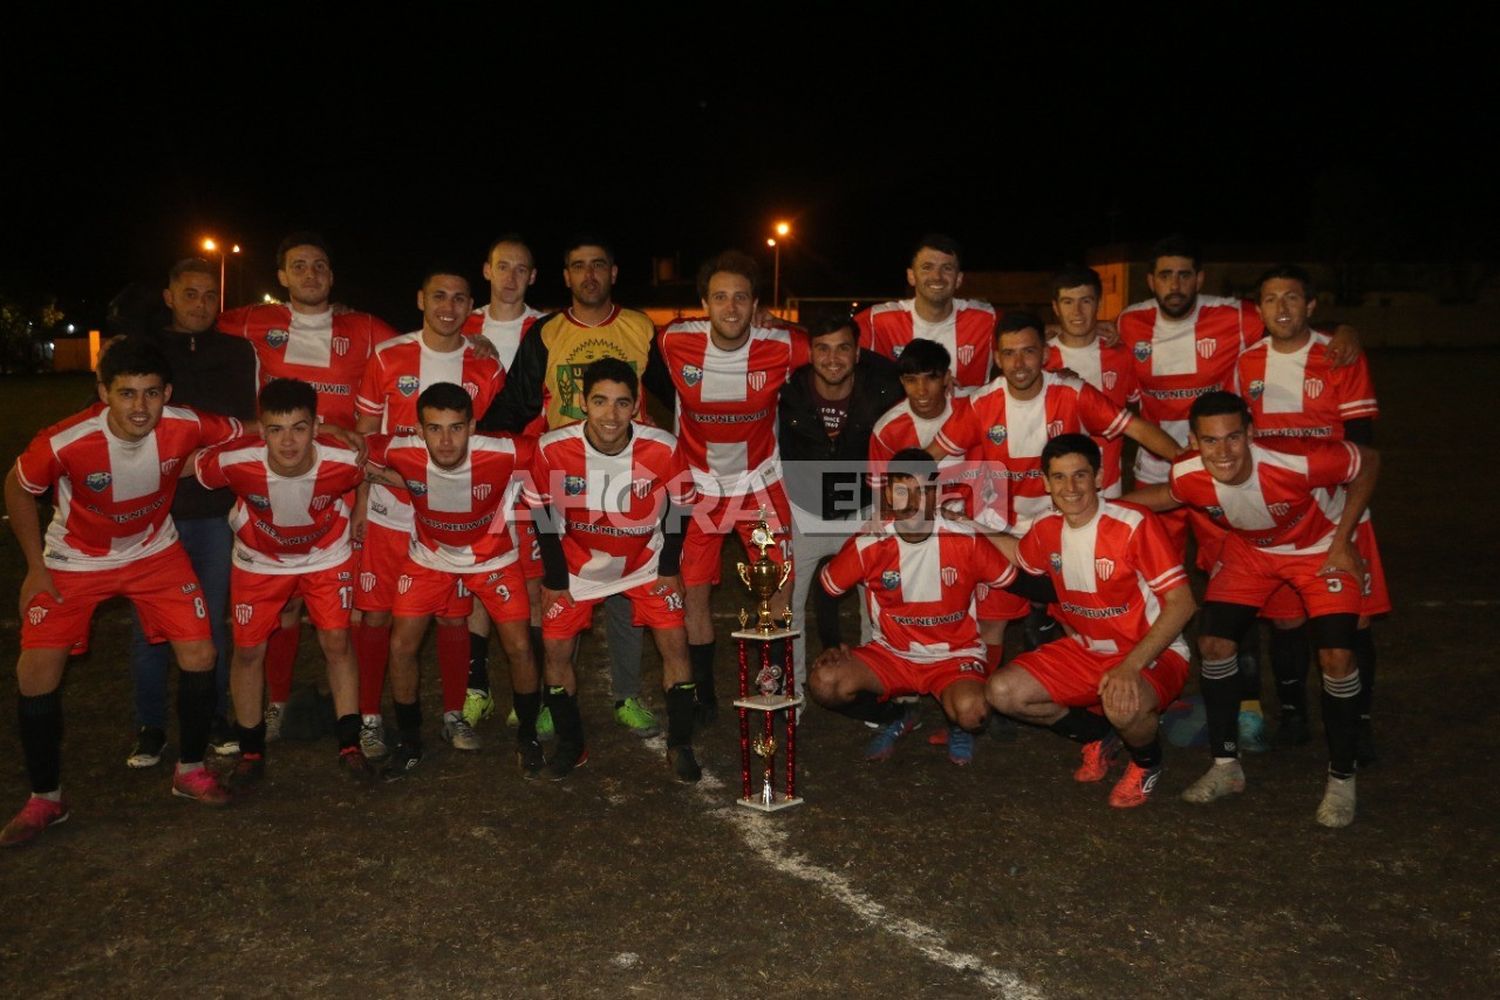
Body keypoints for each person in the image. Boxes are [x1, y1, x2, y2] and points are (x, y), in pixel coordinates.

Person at [2, 342, 245, 846]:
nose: (140, 407)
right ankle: (46, 799)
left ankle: (190, 770)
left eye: (152, 393)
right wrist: (33, 568)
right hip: (74, 561)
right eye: (127, 393)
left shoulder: (188, 423)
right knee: (35, 671)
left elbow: (253, 430)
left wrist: (320, 427)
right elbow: (17, 486)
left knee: (201, 652)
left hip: (155, 553)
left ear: (168, 394)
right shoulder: (65, 440)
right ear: (102, 394)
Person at [1122, 392, 1379, 827]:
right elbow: (1169, 494)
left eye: (1233, 438)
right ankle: (1226, 768)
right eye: (1210, 441)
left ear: (1251, 433)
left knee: (1337, 657)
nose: (1223, 452)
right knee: (1214, 643)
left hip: (1318, 550)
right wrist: (1101, 506)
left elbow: (1367, 460)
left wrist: (1341, 543)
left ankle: (1342, 778)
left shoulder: (1293, 460)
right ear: (1194, 441)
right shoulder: (1189, 472)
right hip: (1252, 553)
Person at [217, 232, 400, 743]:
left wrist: (474, 340)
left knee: (351, 613)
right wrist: (125, 334)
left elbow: (421, 348)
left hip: (345, 483)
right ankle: (273, 704)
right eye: (299, 266)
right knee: (286, 605)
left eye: (320, 265)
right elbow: (191, 323)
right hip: (277, 475)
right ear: (282, 276)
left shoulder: (364, 328)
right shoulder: (253, 321)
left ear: (332, 276)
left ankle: (365, 717)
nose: (311, 274)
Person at [477, 236, 659, 738]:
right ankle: (553, 697)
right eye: (578, 266)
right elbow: (516, 403)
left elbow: (679, 388)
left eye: (598, 265)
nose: (589, 275)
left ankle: (626, 695)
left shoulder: (641, 327)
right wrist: (475, 446)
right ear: (566, 277)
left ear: (614, 273)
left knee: (625, 592)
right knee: (563, 591)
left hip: (628, 478)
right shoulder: (548, 331)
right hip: (566, 477)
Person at [981, 435, 1196, 807]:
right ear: (1046, 484)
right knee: (1003, 693)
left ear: (1098, 477)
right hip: (1087, 652)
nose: (1071, 488)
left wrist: (1131, 666)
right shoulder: (1047, 528)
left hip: (1150, 653)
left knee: (1122, 702)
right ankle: (1102, 735)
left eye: (1080, 475)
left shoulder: (1133, 523)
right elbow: (1018, 555)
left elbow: (1183, 603)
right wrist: (968, 527)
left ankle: (1147, 763)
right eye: (1060, 478)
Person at [645, 251, 809, 726]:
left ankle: (773, 688)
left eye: (741, 298)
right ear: (704, 303)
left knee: (779, 586)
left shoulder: (783, 344)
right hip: (696, 488)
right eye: (720, 297)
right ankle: (703, 694)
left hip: (759, 484)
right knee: (691, 592)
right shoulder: (674, 339)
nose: (731, 308)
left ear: (757, 304)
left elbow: (839, 353)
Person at [525, 359, 700, 781]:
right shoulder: (553, 448)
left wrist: (669, 566)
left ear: (636, 405)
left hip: (645, 562)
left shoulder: (662, 446)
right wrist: (554, 578)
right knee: (556, 652)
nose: (611, 415)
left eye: (622, 404)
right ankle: (572, 743)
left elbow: (682, 502)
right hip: (577, 565)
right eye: (600, 402)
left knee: (675, 643)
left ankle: (680, 745)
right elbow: (542, 511)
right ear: (583, 402)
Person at [1238, 265, 1388, 756]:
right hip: (1278, 520)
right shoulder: (1246, 364)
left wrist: (1347, 519)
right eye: (1271, 299)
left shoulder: (1338, 355)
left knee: (1353, 624)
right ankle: (1294, 715)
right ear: (1258, 309)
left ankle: (1359, 724)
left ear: (1312, 306)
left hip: (1338, 515)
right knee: (1284, 623)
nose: (1281, 308)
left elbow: (1362, 445)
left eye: (1292, 298)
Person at [194, 378, 372, 786]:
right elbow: (184, 464)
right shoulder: (234, 461)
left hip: (325, 554)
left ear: (316, 426)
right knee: (249, 651)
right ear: (261, 429)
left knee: (336, 642)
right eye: (275, 430)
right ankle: (252, 751)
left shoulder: (342, 459)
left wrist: (360, 506)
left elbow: (367, 469)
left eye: (300, 428)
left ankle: (350, 745)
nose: (288, 442)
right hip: (260, 560)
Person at [353, 266, 501, 756]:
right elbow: (364, 438)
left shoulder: (486, 366)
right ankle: (370, 717)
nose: (448, 306)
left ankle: (453, 715)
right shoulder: (388, 355)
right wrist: (357, 505)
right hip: (388, 513)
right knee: (376, 620)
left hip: (448, 522)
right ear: (420, 299)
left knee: (454, 620)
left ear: (470, 306)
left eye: (460, 298)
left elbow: (491, 445)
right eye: (439, 295)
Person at [125, 257, 258, 767]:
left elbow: (244, 423)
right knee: (150, 625)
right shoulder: (142, 350)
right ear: (169, 296)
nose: (201, 304)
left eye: (209, 295)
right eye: (190, 294)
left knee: (213, 620)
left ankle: (215, 716)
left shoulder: (236, 351)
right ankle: (151, 726)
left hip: (213, 508)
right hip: (150, 513)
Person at [364, 383, 534, 777]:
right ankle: (410, 741)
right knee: (402, 644)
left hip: (493, 558)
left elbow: (558, 454)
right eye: (435, 428)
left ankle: (528, 738)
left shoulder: (504, 451)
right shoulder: (399, 450)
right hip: (430, 559)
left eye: (456, 428)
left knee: (521, 646)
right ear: (419, 430)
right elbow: (354, 446)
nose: (445, 440)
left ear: (473, 427)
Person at [809, 449, 1009, 763]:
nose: (914, 502)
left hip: (953, 655)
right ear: (889, 494)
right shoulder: (871, 542)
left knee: (972, 712)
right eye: (903, 491)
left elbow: (1015, 581)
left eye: (923, 491)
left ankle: (958, 724)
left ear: (937, 493)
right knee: (825, 683)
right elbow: (825, 587)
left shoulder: (963, 537)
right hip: (893, 654)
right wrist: (832, 644)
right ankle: (900, 715)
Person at [778, 310, 904, 689]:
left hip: (862, 511)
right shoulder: (788, 388)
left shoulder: (884, 387)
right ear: (809, 353)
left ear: (858, 352)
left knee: (877, 609)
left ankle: (869, 686)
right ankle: (789, 694)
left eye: (843, 348)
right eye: (822, 348)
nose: (833, 358)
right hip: (802, 511)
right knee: (787, 610)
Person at [458, 234, 550, 739]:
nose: (512, 277)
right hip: (476, 473)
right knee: (479, 582)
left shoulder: (547, 329)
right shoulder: (459, 323)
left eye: (522, 268)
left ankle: (529, 693)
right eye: (503, 267)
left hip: (532, 472)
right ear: (487, 271)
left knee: (533, 584)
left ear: (533, 277)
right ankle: (477, 687)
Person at [1045, 265, 1140, 496]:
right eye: (1068, 302)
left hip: (1108, 487)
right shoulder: (1041, 359)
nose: (1077, 312)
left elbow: (1137, 412)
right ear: (1055, 307)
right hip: (1055, 491)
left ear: (1098, 303)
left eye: (1085, 301)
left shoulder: (1121, 355)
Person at [854, 234, 996, 388]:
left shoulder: (987, 320)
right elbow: (834, 355)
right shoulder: (876, 320)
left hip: (971, 412)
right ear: (911, 276)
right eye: (927, 267)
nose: (937, 276)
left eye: (947, 268)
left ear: (959, 279)